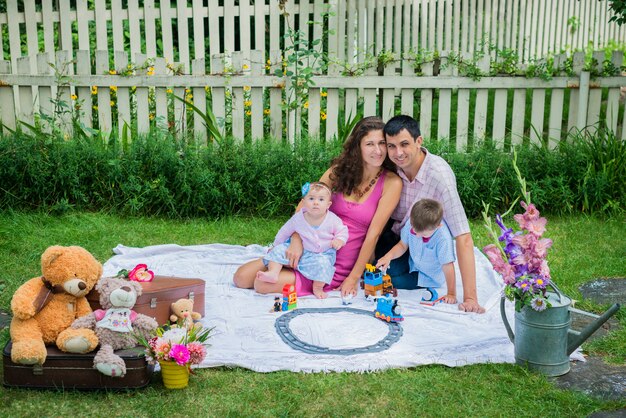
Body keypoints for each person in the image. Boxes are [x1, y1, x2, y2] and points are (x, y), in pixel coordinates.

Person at [233, 116, 403, 297]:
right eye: (370, 144)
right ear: (357, 147)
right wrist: (296, 240)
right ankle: (284, 265)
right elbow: (304, 205)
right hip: (307, 243)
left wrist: (353, 277)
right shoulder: (338, 172)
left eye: (382, 143)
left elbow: (373, 235)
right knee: (241, 278)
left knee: (261, 284)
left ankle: (304, 278)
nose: (377, 150)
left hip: (333, 261)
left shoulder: (392, 183)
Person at [376, 115, 485, 313]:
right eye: (391, 146)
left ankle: (422, 275)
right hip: (400, 237)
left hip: (426, 244)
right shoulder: (391, 164)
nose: (398, 153)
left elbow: (463, 235)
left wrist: (470, 298)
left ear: (419, 142)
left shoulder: (439, 176)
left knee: (391, 276)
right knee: (376, 268)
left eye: (404, 144)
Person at [256, 181, 349, 299]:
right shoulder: (298, 218)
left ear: (328, 204)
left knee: (324, 265)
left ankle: (318, 287)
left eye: (321, 200)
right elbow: (284, 231)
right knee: (279, 250)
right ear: (304, 202)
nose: (315, 203)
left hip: (321, 254)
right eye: (311, 199)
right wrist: (276, 245)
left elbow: (343, 231)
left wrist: (339, 240)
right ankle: (273, 273)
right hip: (301, 252)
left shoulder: (332, 220)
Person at [376, 198, 457, 304]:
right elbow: (402, 245)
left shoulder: (443, 239)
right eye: (414, 231)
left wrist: (451, 293)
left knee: (392, 281)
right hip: (412, 262)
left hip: (427, 276)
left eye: (423, 234)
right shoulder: (413, 222)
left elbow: (447, 266)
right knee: (382, 268)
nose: (417, 235)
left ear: (438, 226)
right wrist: (388, 256)